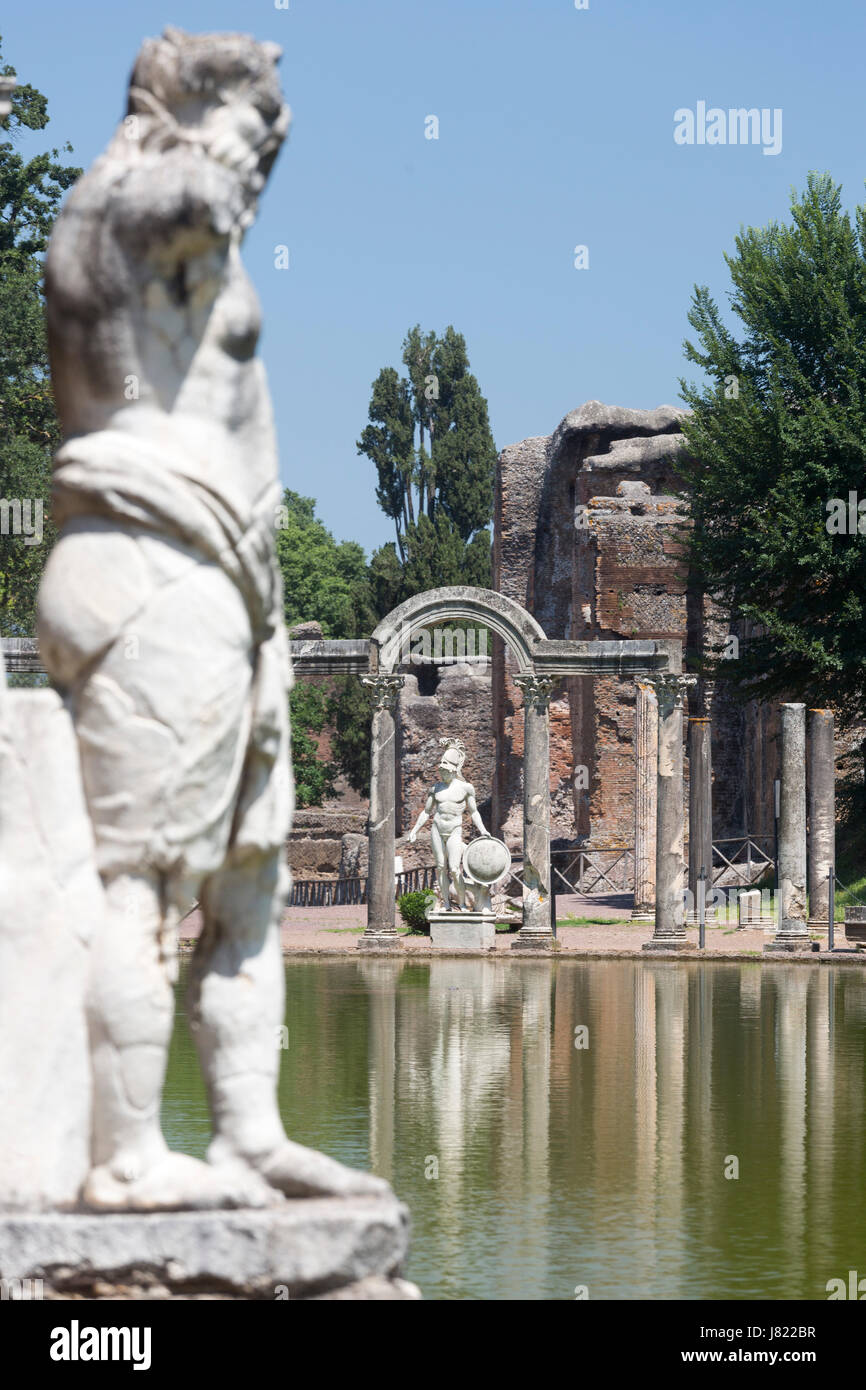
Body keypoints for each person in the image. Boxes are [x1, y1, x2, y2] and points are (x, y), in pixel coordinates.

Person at [37, 28, 384, 1209]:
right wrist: (202, 157)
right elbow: (168, 202)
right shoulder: (109, 214)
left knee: (249, 885)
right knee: (142, 881)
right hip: (147, 563)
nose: (261, 171)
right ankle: (125, 1157)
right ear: (186, 114)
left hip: (234, 591)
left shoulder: (209, 252)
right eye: (254, 139)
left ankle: (246, 1131)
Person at [409, 738, 491, 912]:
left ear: (454, 770)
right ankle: (446, 903)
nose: (442, 773)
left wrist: (483, 830)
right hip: (437, 829)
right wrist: (414, 830)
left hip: (454, 829)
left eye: (445, 770)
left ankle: (461, 903)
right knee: (440, 867)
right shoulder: (436, 788)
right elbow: (426, 812)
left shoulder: (466, 788)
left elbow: (474, 812)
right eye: (441, 770)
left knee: (454, 868)